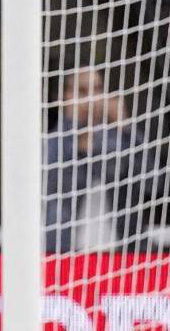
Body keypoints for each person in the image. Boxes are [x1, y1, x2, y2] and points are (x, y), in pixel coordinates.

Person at [43, 66, 152, 252]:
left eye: (98, 89)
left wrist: (126, 128)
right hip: (64, 253)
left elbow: (153, 185)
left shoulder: (119, 138)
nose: (91, 99)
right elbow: (53, 189)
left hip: (125, 253)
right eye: (82, 91)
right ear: (64, 96)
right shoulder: (51, 142)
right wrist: (80, 142)